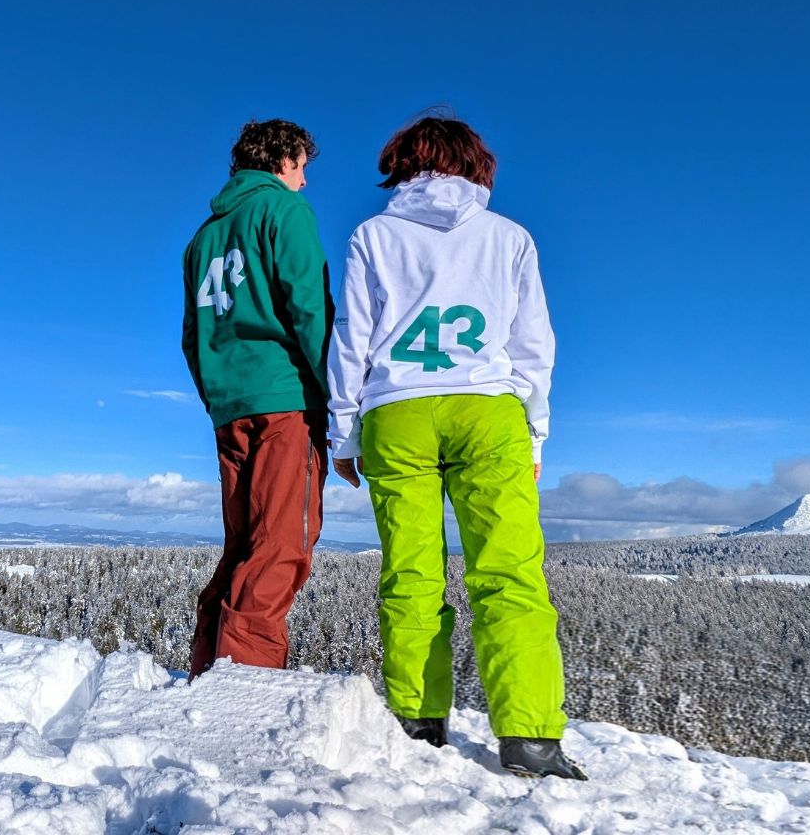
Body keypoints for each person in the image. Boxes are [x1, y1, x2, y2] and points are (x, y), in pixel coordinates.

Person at [327, 115, 586, 780]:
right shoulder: (511, 239)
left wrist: (344, 433)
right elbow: (534, 348)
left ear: (401, 164)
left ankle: (417, 726)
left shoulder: (372, 235)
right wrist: (535, 433)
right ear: (477, 165)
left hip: (397, 412)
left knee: (411, 573)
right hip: (487, 409)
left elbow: (350, 339)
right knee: (509, 574)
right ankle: (531, 740)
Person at [182, 118, 333, 679]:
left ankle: (209, 666)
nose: (305, 181)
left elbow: (192, 337)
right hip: (285, 402)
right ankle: (243, 687)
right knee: (281, 545)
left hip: (231, 407)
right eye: (301, 167)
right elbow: (309, 310)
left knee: (245, 542)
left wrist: (217, 397)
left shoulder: (202, 239)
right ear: (281, 160)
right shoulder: (283, 212)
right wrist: (337, 400)